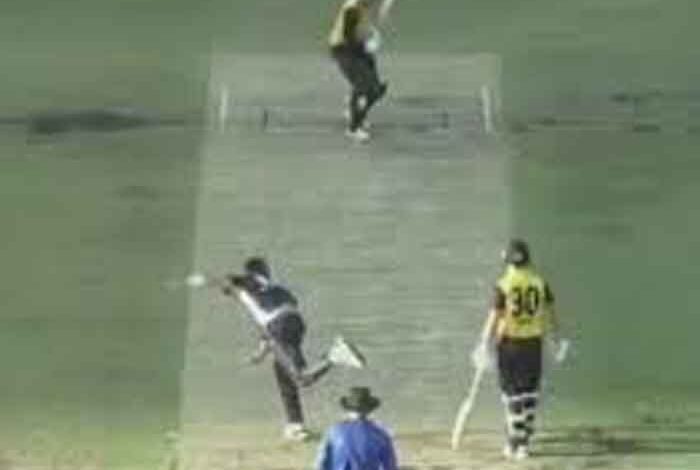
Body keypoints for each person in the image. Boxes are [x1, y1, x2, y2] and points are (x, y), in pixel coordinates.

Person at [223, 257, 367, 441]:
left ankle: (334, 356)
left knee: (301, 378)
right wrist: (260, 353)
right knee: (283, 375)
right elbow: (270, 322)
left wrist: (227, 282)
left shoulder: (250, 287)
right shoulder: (279, 291)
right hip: (293, 325)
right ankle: (295, 426)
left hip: (278, 328)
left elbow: (233, 284)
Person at [471, 239, 569, 460]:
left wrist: (483, 343)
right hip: (533, 344)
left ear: (508, 261)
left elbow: (494, 317)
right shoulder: (540, 283)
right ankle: (525, 440)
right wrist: (558, 339)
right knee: (530, 393)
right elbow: (551, 314)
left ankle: (516, 442)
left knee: (511, 394)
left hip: (510, 344)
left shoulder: (504, 284)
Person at [328, 0, 388, 142]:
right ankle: (354, 128)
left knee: (376, 90)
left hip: (358, 49)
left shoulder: (366, 6)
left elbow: (365, 28)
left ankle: (353, 108)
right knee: (367, 88)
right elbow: (349, 39)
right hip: (343, 50)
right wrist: (367, 46)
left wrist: (370, 39)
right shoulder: (352, 9)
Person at [316, 387, 398, 470]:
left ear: (348, 409)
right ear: (369, 410)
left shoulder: (334, 432)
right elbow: (390, 466)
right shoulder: (381, 435)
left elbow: (322, 463)